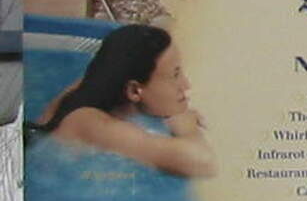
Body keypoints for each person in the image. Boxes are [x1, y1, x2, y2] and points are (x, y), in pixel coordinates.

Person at [35, 24, 215, 178]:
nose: (186, 85)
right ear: (134, 90)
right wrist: (187, 127)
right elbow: (203, 163)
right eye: (175, 75)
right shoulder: (91, 124)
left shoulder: (97, 84)